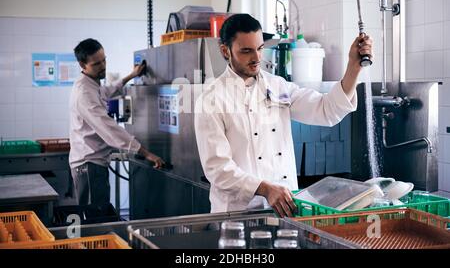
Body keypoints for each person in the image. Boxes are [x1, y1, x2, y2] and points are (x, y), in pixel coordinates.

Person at [194, 14, 373, 217]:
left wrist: (353, 67)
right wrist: (266, 189)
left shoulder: (277, 85)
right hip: (237, 214)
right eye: (246, 51)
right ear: (225, 51)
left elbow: (327, 109)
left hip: (285, 208)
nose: (256, 58)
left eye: (260, 48)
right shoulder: (212, 99)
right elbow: (218, 169)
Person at [69, 38, 165, 206]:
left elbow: (106, 91)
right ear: (82, 65)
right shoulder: (84, 92)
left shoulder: (92, 84)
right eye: (96, 64)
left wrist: (131, 75)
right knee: (94, 218)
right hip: (88, 164)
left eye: (104, 60)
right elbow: (108, 128)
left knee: (99, 212)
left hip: (94, 162)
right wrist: (145, 152)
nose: (103, 66)